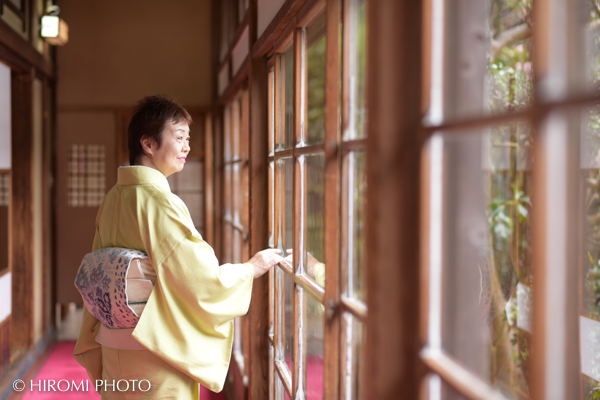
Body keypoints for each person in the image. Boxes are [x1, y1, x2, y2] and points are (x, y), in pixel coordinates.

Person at [73, 95, 282, 399]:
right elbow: (198, 278)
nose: (187, 147)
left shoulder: (113, 198)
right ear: (148, 144)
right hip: (153, 347)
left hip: (113, 345)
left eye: (188, 138)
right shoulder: (159, 202)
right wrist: (249, 269)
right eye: (180, 137)